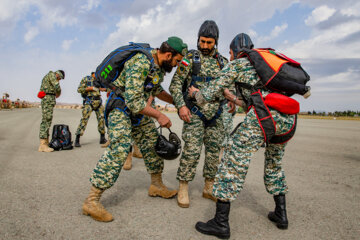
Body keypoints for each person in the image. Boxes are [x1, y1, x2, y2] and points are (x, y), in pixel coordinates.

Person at [190, 33, 297, 239]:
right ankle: (281, 214)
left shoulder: (238, 64)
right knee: (274, 164)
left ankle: (220, 223)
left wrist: (195, 93)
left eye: (230, 53)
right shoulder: (266, 65)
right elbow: (258, 101)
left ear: (235, 51)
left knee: (232, 162)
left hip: (265, 119)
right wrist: (234, 98)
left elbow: (208, 94)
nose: (229, 58)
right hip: (288, 120)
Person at [82, 36, 188, 222]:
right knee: (120, 148)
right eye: (177, 61)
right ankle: (91, 201)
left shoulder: (158, 67)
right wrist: (159, 115)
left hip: (138, 111)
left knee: (152, 142)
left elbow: (155, 90)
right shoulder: (140, 62)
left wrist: (178, 102)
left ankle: (156, 185)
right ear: (169, 55)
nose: (176, 65)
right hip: (121, 108)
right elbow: (133, 101)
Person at [169, 20, 232, 208]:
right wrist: (181, 106)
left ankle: (208, 187)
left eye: (209, 42)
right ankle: (183, 187)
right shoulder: (190, 58)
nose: (204, 46)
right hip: (194, 113)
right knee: (191, 152)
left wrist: (231, 100)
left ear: (216, 42)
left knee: (213, 153)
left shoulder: (223, 62)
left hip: (216, 114)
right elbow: (175, 85)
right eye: (202, 41)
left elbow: (229, 87)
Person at [74, 72, 107, 147]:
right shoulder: (86, 79)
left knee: (102, 119)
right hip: (89, 101)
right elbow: (79, 89)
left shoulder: (99, 80)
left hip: (98, 102)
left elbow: (106, 88)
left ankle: (102, 138)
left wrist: (103, 89)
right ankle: (77, 139)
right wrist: (90, 88)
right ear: (93, 73)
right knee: (84, 119)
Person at [38, 70, 65, 152]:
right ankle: (43, 145)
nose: (59, 80)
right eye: (60, 78)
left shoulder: (52, 77)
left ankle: (45, 142)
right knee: (46, 120)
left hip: (49, 100)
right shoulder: (51, 75)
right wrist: (59, 92)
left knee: (48, 120)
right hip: (47, 100)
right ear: (58, 74)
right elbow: (57, 86)